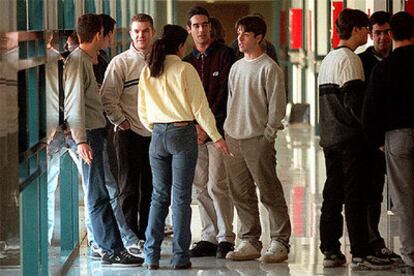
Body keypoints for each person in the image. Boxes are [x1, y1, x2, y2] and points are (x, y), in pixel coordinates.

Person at [138, 24, 230, 270]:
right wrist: (216, 136)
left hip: (157, 134)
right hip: (182, 133)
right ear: (180, 46)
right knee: (180, 198)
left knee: (158, 197)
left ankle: (151, 256)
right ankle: (180, 257)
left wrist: (157, 128)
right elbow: (201, 108)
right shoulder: (184, 69)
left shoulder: (149, 69)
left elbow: (142, 110)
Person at [64, 13, 142, 267]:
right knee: (97, 194)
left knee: (101, 192)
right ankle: (110, 249)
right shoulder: (77, 62)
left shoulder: (85, 60)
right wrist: (81, 140)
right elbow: (73, 106)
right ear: (98, 34)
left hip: (95, 133)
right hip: (89, 136)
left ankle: (108, 245)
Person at [318, 8, 393, 270]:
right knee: (354, 197)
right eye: (367, 31)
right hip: (349, 140)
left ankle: (330, 249)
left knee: (332, 195)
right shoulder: (351, 60)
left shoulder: (329, 59)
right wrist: (374, 134)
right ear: (359, 30)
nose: (369, 37)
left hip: (329, 139)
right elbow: (355, 103)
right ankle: (360, 252)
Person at [223, 15, 291, 264]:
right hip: (233, 138)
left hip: (257, 139)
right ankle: (250, 240)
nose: (239, 38)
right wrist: (227, 131)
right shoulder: (236, 67)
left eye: (245, 34)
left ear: (259, 37)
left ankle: (280, 241)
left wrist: (268, 136)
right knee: (240, 193)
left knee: (269, 191)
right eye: (238, 33)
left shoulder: (269, 68)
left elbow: (277, 108)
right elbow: (231, 101)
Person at [362, 11, 414, 274]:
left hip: (397, 137)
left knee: (404, 199)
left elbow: (370, 109)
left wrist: (377, 140)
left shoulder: (384, 68)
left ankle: (411, 256)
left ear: (392, 34)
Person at [184, 6, 236, 259]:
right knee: (200, 187)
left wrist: (209, 128)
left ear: (210, 27)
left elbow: (225, 95)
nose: (202, 29)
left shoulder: (226, 55)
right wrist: (195, 127)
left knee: (218, 185)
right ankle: (208, 236)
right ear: (189, 29)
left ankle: (226, 237)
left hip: (218, 133)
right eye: (196, 25)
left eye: (205, 25)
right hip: (194, 134)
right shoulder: (186, 62)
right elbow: (185, 99)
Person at [101, 13, 154, 244]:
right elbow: (107, 98)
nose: (141, 35)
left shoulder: (160, 60)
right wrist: (121, 122)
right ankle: (130, 239)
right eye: (136, 31)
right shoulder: (120, 62)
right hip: (128, 134)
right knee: (129, 188)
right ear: (131, 34)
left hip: (155, 135)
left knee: (152, 190)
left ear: (153, 32)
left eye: (145, 30)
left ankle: (149, 236)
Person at [358, 11, 401, 262]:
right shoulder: (361, 62)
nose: (383, 38)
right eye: (377, 33)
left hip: (398, 134)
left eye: (387, 32)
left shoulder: (400, 59)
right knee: (371, 191)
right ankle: (372, 240)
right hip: (371, 139)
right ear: (369, 34)